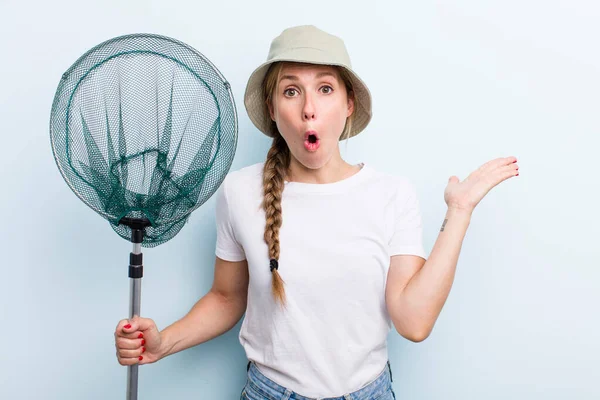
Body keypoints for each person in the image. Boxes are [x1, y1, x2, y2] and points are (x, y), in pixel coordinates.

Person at [114, 25, 519, 400]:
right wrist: (164, 341)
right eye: (291, 91)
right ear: (272, 110)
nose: (309, 108)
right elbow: (225, 297)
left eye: (325, 89)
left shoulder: (391, 194)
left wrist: (460, 210)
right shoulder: (239, 192)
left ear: (348, 105)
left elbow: (413, 323)